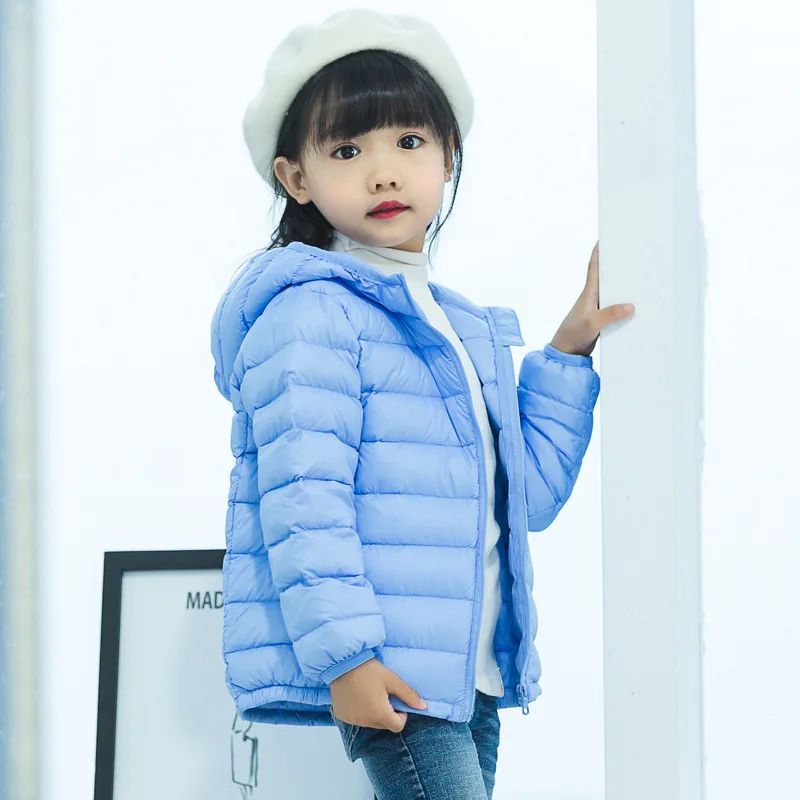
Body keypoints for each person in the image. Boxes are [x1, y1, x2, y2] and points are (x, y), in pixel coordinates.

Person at [210, 8, 634, 799]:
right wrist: (347, 658)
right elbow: (304, 503)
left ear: (448, 155)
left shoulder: (458, 327)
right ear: (296, 179)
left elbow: (527, 500)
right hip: (395, 674)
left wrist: (568, 354)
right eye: (347, 150)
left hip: (468, 674)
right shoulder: (312, 314)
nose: (383, 172)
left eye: (409, 142)